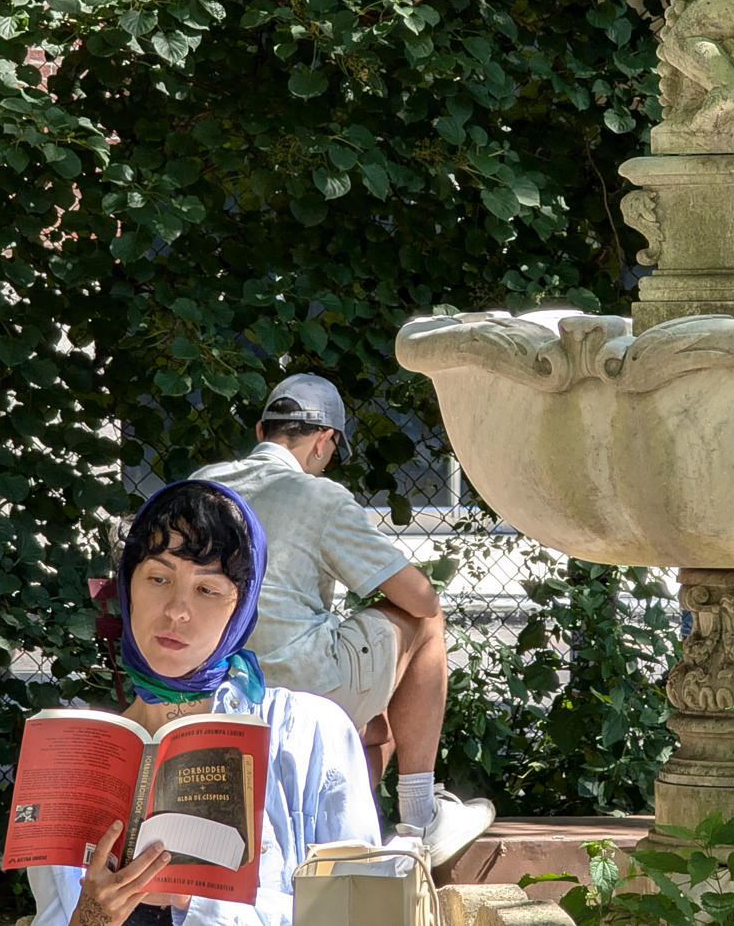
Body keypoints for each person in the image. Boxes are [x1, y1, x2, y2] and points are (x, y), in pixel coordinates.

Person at [28, 480, 381, 926]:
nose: (177, 610)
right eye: (159, 578)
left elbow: (366, 910)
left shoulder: (307, 733)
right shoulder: (78, 761)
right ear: (128, 589)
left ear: (241, 608)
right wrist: (91, 917)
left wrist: (194, 900)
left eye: (207, 589)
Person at [192, 374, 495, 868]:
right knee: (426, 626)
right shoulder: (317, 496)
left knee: (380, 723)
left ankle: (334, 832)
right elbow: (420, 598)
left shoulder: (203, 483)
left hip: (212, 682)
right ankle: (420, 817)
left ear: (260, 430)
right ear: (324, 440)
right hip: (298, 686)